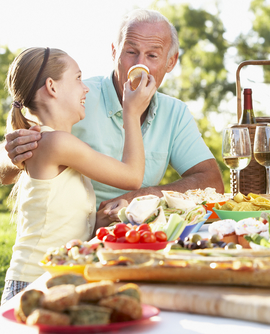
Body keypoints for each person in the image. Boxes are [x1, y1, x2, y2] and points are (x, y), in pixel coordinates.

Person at [0, 9, 224, 226]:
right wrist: (14, 155)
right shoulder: (76, 99)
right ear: (114, 52)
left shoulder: (174, 113)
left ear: (170, 62)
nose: (140, 64)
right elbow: (17, 156)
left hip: (121, 234)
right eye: (130, 52)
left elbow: (212, 182)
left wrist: (147, 196)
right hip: (67, 237)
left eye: (152, 55)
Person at [1, 46, 156, 304]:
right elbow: (132, 176)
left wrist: (94, 223)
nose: (85, 89)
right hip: (34, 285)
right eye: (77, 78)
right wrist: (131, 111)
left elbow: (57, 223)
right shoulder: (56, 143)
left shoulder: (54, 142)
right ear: (52, 86)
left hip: (53, 280)